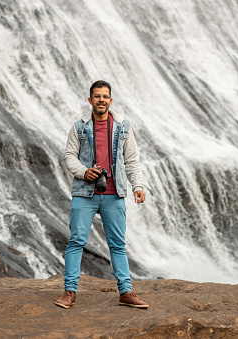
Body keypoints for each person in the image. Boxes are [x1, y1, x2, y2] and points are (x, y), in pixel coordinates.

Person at [54, 80, 149, 309]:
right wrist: (84, 172)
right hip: (84, 193)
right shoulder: (79, 127)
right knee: (76, 241)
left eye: (105, 96)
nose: (101, 100)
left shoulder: (123, 127)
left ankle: (126, 292)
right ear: (90, 100)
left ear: (111, 100)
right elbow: (69, 156)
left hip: (114, 194)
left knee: (117, 244)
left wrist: (138, 186)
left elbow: (131, 160)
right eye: (97, 96)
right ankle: (70, 292)